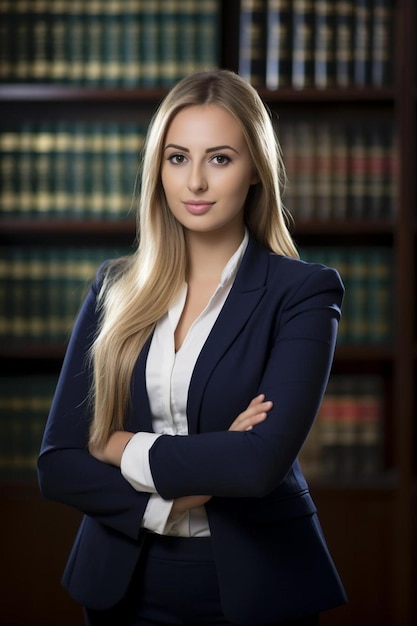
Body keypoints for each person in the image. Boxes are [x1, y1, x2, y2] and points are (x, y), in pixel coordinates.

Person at [38, 69, 347, 626]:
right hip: (122, 584)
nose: (196, 182)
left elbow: (257, 466)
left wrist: (121, 446)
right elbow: (59, 463)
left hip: (255, 585)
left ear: (255, 170)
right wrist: (180, 492)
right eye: (178, 158)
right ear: (158, 168)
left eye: (220, 158)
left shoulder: (303, 292)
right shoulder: (114, 287)